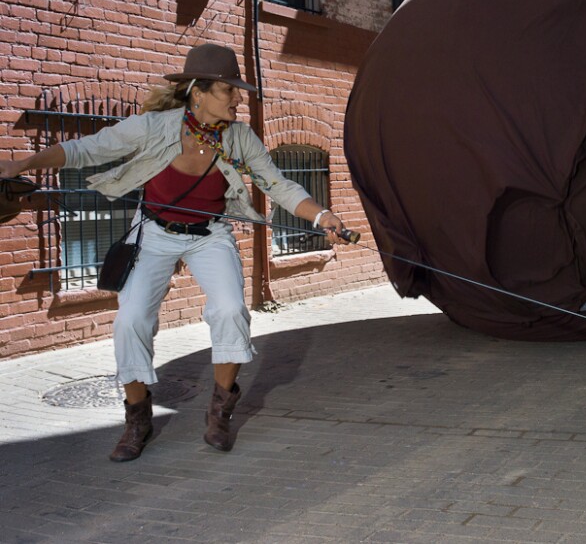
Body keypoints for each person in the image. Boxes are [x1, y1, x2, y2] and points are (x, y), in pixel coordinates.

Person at [0, 43, 349, 461]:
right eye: (228, 90)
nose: (238, 98)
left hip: (210, 234)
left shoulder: (239, 137)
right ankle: (137, 419)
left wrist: (321, 216)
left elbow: (278, 185)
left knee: (230, 311)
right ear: (197, 93)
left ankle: (220, 412)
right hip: (154, 232)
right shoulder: (154, 127)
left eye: (238, 90)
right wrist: (22, 166)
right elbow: (85, 149)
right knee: (131, 321)